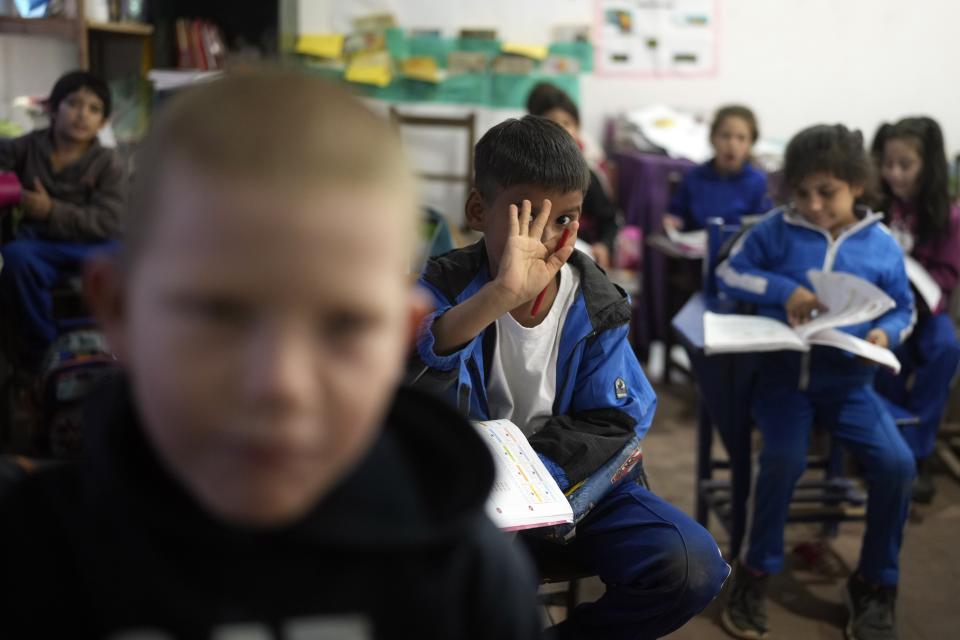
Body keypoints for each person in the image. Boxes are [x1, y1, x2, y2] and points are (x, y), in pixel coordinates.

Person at [0, 70, 542, 639]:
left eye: (344, 326)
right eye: (218, 314)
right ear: (117, 311)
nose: (280, 383)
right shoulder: (38, 555)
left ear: (398, 336)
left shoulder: (464, 574)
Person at [410, 114, 729, 639]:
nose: (546, 241)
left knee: (691, 566)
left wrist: (533, 484)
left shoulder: (599, 303)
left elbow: (611, 422)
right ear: (477, 211)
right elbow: (410, 397)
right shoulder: (441, 287)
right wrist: (498, 298)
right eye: (528, 218)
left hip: (572, 489)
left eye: (565, 219)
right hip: (468, 499)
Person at [717, 124, 916, 640]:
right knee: (781, 459)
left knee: (897, 465)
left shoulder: (881, 246)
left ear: (857, 186)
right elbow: (731, 274)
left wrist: (884, 333)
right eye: (801, 193)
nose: (813, 205)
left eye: (826, 192)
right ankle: (755, 571)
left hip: (852, 386)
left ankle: (874, 584)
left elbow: (905, 311)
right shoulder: (776, 230)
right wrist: (785, 290)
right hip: (784, 382)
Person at [0, 70, 125, 371]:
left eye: (94, 109)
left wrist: (50, 210)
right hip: (40, 244)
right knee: (16, 259)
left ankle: (114, 346)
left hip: (94, 244)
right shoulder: (24, 148)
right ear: (52, 110)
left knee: (132, 261)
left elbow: (107, 220)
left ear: (103, 122)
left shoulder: (108, 162)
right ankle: (43, 354)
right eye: (73, 104)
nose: (82, 114)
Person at [871, 116, 960, 504]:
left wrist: (917, 296)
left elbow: (945, 276)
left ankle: (917, 453)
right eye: (888, 164)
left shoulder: (949, 215)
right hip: (883, 310)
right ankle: (884, 446)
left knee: (946, 350)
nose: (894, 173)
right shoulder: (877, 206)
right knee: (890, 354)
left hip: (926, 313)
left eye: (905, 165)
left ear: (929, 165)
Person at [526, 82, 620, 269]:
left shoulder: (589, 175)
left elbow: (609, 220)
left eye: (567, 123)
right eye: (552, 123)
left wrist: (604, 246)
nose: (560, 130)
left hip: (577, 254)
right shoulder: (526, 175)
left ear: (577, 129)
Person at [664, 105, 771, 232]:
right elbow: (676, 214)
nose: (732, 144)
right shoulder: (695, 176)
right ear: (712, 138)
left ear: (751, 143)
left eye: (741, 138)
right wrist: (673, 221)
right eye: (725, 136)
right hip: (694, 248)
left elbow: (762, 226)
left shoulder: (757, 182)